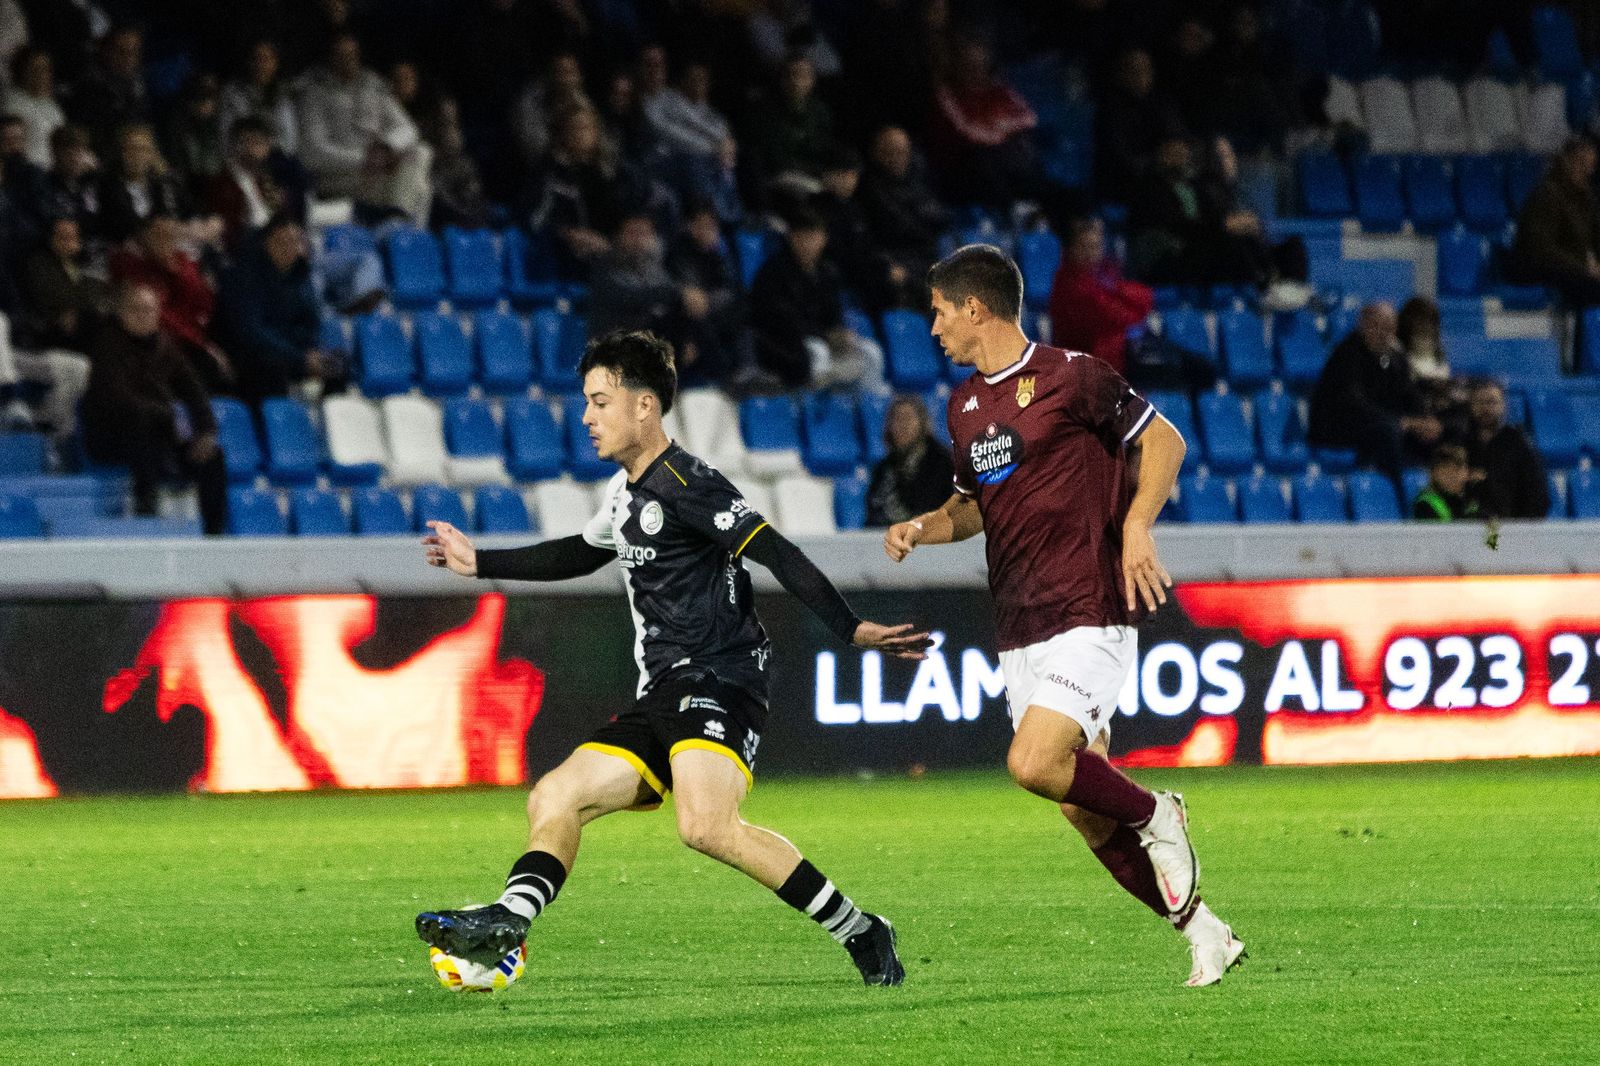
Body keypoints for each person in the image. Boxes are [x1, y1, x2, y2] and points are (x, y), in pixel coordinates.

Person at [414, 329, 928, 986]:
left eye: (600, 401)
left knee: (706, 826)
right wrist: (480, 562)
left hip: (722, 679)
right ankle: (508, 921)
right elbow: (582, 550)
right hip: (663, 692)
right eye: (587, 403)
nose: (586, 417)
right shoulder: (624, 494)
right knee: (555, 795)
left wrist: (850, 628)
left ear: (644, 407)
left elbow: (776, 552)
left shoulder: (691, 483)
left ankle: (862, 930)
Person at [881, 244, 1243, 987]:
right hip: (1019, 626)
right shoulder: (963, 405)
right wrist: (923, 527)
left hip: (1089, 607)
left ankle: (1158, 814)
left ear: (975, 308)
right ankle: (1205, 933)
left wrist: (1137, 527)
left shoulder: (1074, 376)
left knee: (1032, 763)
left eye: (939, 312)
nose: (934, 328)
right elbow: (972, 509)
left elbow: (1165, 442)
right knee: (1082, 808)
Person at [81, 283, 227, 535]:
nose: (142, 316)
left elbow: (194, 391)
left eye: (148, 310)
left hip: (160, 435)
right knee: (138, 424)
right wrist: (168, 416)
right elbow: (118, 401)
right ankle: (145, 514)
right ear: (121, 313)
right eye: (135, 309)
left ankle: (214, 535)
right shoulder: (107, 345)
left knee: (212, 456)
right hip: (112, 437)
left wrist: (206, 430)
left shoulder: (166, 346)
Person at [297, 33, 433, 225]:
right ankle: (398, 230)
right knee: (420, 187)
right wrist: (365, 159)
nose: (348, 61)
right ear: (329, 58)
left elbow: (408, 128)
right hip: (340, 177)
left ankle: (396, 225)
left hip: (377, 170)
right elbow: (313, 153)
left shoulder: (372, 85)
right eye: (341, 56)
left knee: (422, 152)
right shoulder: (314, 93)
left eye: (352, 55)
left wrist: (387, 147)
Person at [1308, 301, 1441, 483]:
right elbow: (1352, 402)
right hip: (1338, 427)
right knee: (1388, 430)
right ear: (1363, 325)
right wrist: (1399, 420)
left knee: (1439, 430)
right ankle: (1396, 492)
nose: (1385, 334)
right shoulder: (1346, 354)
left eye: (1390, 328)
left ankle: (1432, 489)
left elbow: (1408, 391)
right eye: (1379, 327)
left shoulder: (1393, 357)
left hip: (1381, 421)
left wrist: (1425, 418)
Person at [215, 214, 343, 402]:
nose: (290, 249)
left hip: (285, 351)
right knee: (269, 370)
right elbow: (252, 334)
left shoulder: (298, 276)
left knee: (337, 363)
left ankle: (322, 422)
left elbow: (307, 321)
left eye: (295, 242)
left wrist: (310, 351)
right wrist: (300, 359)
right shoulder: (244, 276)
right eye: (283, 243)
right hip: (246, 355)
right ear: (267, 243)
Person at [749, 209, 882, 389]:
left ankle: (867, 409)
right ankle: (816, 410)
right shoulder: (772, 272)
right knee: (818, 351)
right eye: (803, 237)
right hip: (786, 346)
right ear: (792, 238)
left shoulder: (828, 272)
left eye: (813, 237)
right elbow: (780, 320)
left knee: (871, 352)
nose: (808, 244)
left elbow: (834, 312)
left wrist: (839, 333)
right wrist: (825, 335)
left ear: (823, 239)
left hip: (822, 338)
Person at [110, 213, 231, 391]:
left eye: (170, 236)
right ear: (144, 237)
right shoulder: (130, 265)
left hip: (192, 338)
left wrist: (177, 271)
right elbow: (160, 316)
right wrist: (201, 344)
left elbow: (203, 302)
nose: (165, 241)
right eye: (158, 235)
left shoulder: (182, 263)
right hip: (156, 342)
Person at [1048, 215, 1153, 374]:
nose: (1090, 253)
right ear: (1069, 250)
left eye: (1095, 247)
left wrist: (1122, 295)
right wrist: (1127, 302)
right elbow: (1111, 314)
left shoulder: (1105, 272)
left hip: (1110, 369)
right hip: (1081, 373)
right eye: (1084, 247)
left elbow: (1145, 296)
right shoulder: (1067, 284)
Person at [1510, 137, 1600, 306]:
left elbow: (1595, 237)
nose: (1586, 172)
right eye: (1582, 165)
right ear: (1570, 162)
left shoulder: (1586, 199)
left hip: (1573, 269)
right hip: (1541, 269)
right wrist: (1584, 268)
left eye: (1589, 168)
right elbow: (1542, 249)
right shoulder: (1547, 195)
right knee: (1590, 287)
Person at [1464, 379, 1549, 520]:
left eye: (1491, 402)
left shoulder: (1520, 444)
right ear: (1471, 406)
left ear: (1503, 405)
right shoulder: (1462, 443)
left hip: (1513, 528)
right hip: (1467, 527)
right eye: (1479, 402)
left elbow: (1537, 493)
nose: (1485, 408)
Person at [866, 395, 954, 526]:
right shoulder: (883, 470)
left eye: (908, 418)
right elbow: (873, 517)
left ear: (922, 423)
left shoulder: (944, 463)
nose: (903, 426)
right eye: (897, 419)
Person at [5, 46, 64, 167]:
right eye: (35, 70)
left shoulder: (51, 105)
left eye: (45, 69)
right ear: (22, 72)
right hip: (30, 170)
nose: (42, 75)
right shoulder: (12, 103)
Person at [1412, 444, 1480, 522]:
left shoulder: (1472, 500)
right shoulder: (1425, 504)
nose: (1454, 476)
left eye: (1458, 470)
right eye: (1447, 471)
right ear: (1434, 473)